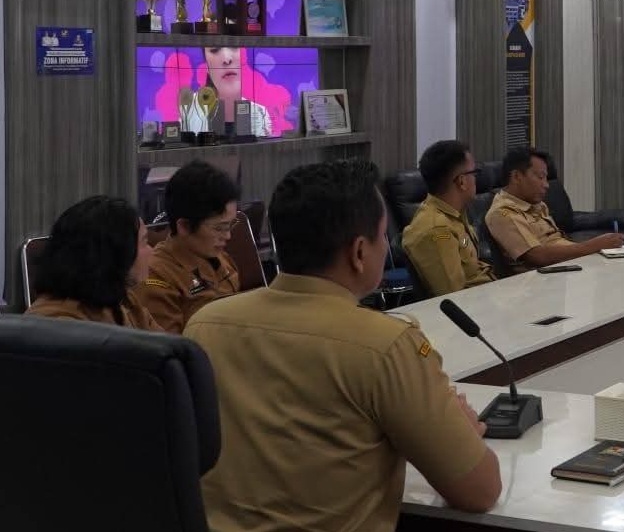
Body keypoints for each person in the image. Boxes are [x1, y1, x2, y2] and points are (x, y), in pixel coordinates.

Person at [185, 159, 501, 531]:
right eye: (383, 236)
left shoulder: (204, 326)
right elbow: (480, 491)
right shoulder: (385, 345)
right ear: (359, 252)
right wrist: (463, 431)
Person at [25, 195, 162, 331]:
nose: (152, 250)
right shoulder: (57, 324)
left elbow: (166, 343)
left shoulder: (125, 301)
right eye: (144, 242)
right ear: (116, 255)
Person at [137, 159, 242, 333]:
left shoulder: (221, 258)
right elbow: (170, 346)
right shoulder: (158, 279)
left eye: (230, 225)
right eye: (219, 228)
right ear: (184, 226)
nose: (228, 236)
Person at [485, 147, 623, 270]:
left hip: (570, 264)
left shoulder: (535, 203)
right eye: (540, 177)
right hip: (544, 277)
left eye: (546, 178)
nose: (546, 185)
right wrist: (593, 246)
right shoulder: (503, 213)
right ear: (516, 177)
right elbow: (536, 256)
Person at [402, 140, 496, 295]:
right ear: (462, 181)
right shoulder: (438, 230)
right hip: (477, 303)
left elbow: (467, 253)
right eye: (474, 173)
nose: (476, 179)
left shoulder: (454, 216)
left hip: (490, 291)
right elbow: (454, 295)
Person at [203, 47, 273, 137]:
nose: (227, 60)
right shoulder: (190, 112)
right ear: (207, 67)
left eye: (234, 47)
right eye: (215, 50)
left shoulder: (260, 112)